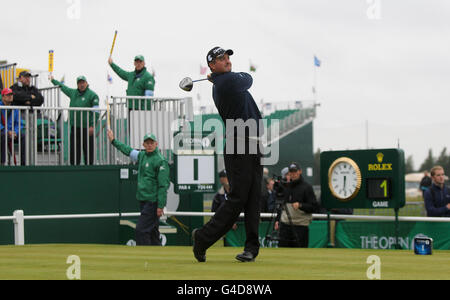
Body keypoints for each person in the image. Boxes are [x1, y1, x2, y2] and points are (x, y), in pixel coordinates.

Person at [192, 47, 263, 263]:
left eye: (228, 57)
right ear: (212, 65)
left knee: (253, 200)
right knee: (238, 199)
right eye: (222, 58)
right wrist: (219, 77)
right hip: (238, 144)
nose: (228, 60)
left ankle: (251, 248)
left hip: (253, 144)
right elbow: (249, 78)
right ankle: (202, 238)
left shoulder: (223, 80)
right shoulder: (226, 82)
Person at [107, 129, 170, 245]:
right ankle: (158, 259)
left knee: (141, 230)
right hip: (143, 200)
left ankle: (146, 257)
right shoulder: (141, 155)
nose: (149, 145)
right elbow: (127, 150)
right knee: (152, 232)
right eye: (147, 143)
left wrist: (160, 206)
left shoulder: (161, 161)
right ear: (143, 144)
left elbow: (163, 186)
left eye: (152, 143)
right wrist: (113, 141)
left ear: (156, 144)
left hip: (152, 201)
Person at [51, 75, 99, 165]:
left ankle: (89, 170)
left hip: (87, 128)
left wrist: (92, 125)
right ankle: (74, 169)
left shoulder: (93, 95)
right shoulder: (73, 93)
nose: (81, 84)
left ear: (86, 83)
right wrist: (53, 80)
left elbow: (96, 112)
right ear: (77, 84)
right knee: (74, 150)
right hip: (75, 127)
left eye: (83, 82)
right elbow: (63, 87)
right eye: (79, 83)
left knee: (88, 151)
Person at [275, 162, 319, 248]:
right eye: (291, 172)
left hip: (300, 226)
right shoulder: (286, 187)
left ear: (300, 171)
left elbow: (314, 207)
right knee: (282, 252)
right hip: (285, 226)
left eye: (295, 171)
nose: (293, 174)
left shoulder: (307, 187)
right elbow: (281, 206)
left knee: (300, 253)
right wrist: (277, 219)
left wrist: (301, 205)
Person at [0, 88, 26, 165]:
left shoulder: (15, 108)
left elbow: (19, 123)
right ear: (3, 97)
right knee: (3, 136)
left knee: (23, 136)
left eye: (11, 94)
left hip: (12, 132)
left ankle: (23, 163)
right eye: (8, 95)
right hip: (3, 132)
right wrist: (7, 132)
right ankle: (2, 162)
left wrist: (15, 132)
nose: (10, 96)